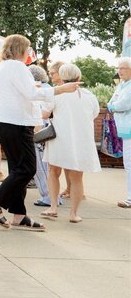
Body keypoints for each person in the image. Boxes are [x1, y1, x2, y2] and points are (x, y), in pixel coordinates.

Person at [0, 36, 81, 232]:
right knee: (27, 169)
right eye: (28, 49)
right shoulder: (17, 67)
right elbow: (31, 94)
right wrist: (60, 89)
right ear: (21, 49)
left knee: (17, 168)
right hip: (17, 123)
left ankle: (19, 215)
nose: (29, 53)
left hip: (5, 122)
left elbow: (21, 92)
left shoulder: (2, 67)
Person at [40, 64, 100, 223]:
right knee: (77, 178)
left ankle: (53, 207)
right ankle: (74, 214)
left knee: (53, 172)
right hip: (81, 140)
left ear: (61, 76)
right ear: (79, 77)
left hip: (59, 137)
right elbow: (94, 114)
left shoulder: (57, 94)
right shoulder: (89, 95)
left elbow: (44, 113)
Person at [26, 65, 59, 208]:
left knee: (40, 165)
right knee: (47, 165)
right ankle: (53, 196)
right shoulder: (49, 87)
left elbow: (42, 112)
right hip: (48, 129)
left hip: (39, 130)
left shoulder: (38, 89)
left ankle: (48, 196)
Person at [108, 57, 131, 209]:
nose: (119, 71)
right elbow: (112, 102)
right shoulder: (122, 85)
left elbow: (122, 104)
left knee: (129, 163)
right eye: (119, 68)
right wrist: (112, 105)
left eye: (123, 68)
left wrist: (111, 106)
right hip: (124, 128)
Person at [48, 61, 72, 199]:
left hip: (62, 131)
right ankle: (70, 189)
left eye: (52, 73)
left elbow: (46, 112)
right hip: (66, 130)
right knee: (69, 163)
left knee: (59, 166)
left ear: (60, 73)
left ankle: (69, 190)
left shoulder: (60, 91)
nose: (50, 76)